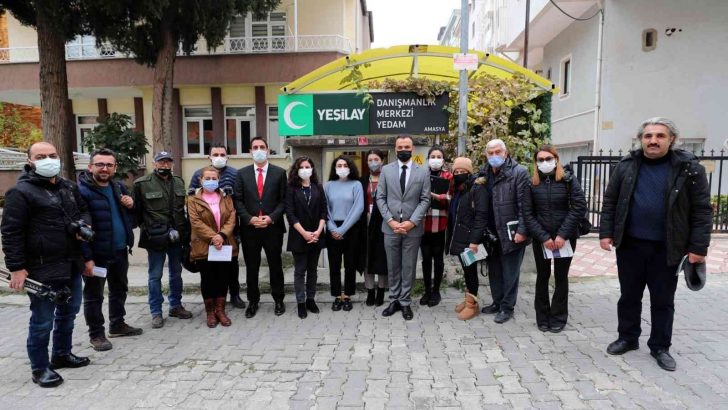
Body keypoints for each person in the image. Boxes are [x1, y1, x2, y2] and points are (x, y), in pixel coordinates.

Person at [600, 117, 711, 371]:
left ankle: (660, 347)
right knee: (629, 296)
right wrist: (606, 233)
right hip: (630, 245)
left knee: (662, 300)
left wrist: (698, 248)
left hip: (667, 247)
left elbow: (702, 211)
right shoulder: (626, 165)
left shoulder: (689, 169)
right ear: (641, 140)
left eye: (660, 136)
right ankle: (628, 338)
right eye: (648, 136)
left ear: (671, 139)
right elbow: (611, 201)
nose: (653, 141)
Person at [1, 141, 91, 388]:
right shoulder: (20, 193)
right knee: (42, 320)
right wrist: (16, 267)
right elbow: (11, 232)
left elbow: (83, 210)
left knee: (69, 313)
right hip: (41, 268)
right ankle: (40, 368)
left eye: (52, 155)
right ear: (30, 161)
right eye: (41, 156)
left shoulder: (68, 187)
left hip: (71, 262)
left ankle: (61, 354)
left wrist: (84, 226)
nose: (48, 160)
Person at [78, 148, 142, 352]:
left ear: (115, 168)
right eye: (100, 164)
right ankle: (96, 334)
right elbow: (80, 228)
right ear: (90, 167)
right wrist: (86, 258)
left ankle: (117, 324)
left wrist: (131, 205)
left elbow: (131, 218)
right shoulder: (81, 191)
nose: (104, 168)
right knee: (94, 295)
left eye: (109, 165)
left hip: (120, 250)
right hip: (97, 255)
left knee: (119, 289)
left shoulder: (118, 187)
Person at [522, 146, 587, 333]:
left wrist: (562, 235)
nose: (544, 162)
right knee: (542, 277)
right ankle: (542, 317)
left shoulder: (568, 180)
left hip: (565, 239)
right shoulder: (531, 184)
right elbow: (528, 213)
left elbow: (579, 207)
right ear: (536, 163)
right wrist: (543, 237)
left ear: (556, 159)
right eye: (540, 160)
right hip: (541, 239)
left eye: (548, 158)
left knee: (561, 277)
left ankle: (558, 317)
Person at [134, 151, 193, 329]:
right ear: (154, 164)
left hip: (177, 237)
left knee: (176, 273)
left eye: (168, 162)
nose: (165, 165)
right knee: (155, 275)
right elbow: (137, 214)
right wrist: (151, 229)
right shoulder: (142, 184)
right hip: (156, 237)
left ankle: (175, 306)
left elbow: (182, 209)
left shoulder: (178, 181)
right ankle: (156, 312)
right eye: (161, 162)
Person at [376, 135, 431, 321]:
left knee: (408, 266)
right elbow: (380, 198)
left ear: (412, 148)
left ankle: (405, 302)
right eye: (400, 147)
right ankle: (394, 300)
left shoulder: (422, 172)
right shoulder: (386, 170)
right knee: (393, 266)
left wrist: (412, 221)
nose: (403, 150)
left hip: (412, 228)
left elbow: (425, 199)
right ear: (395, 149)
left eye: (407, 146)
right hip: (390, 227)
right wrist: (390, 220)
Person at [233, 137, 288, 318]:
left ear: (268, 150)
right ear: (250, 151)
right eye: (255, 147)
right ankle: (253, 301)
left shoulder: (279, 173)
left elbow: (283, 201)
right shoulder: (241, 174)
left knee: (275, 265)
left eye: (262, 147)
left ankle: (279, 300)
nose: (258, 150)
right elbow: (238, 201)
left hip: (272, 228)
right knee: (252, 267)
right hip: (250, 229)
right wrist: (249, 219)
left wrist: (271, 218)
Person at [188, 143, 244, 309]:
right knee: (211, 271)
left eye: (222, 154)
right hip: (206, 234)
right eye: (216, 154)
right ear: (209, 157)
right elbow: (192, 194)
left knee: (231, 265)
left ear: (227, 156)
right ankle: (213, 305)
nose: (219, 157)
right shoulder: (199, 173)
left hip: (229, 229)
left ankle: (234, 294)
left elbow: (239, 199)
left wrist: (226, 233)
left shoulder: (235, 174)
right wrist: (213, 235)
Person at [480, 139, 531, 324]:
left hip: (512, 232)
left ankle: (507, 308)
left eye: (497, 152)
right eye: (490, 153)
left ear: (506, 153)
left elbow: (525, 206)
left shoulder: (519, 173)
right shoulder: (485, 172)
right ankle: (497, 301)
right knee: (494, 270)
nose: (494, 156)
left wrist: (522, 231)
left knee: (510, 272)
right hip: (492, 232)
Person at [188, 166, 238, 328]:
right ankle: (210, 313)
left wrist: (222, 235)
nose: (211, 181)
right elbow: (195, 222)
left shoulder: (226, 197)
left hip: (223, 244)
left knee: (223, 278)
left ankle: (220, 310)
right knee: (208, 279)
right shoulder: (192, 199)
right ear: (200, 180)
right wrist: (213, 237)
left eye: (214, 178)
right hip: (204, 245)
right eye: (207, 179)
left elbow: (231, 217)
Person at [285, 157, 327, 319]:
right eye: (301, 167)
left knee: (313, 271)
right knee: (300, 271)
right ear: (296, 170)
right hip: (299, 236)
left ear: (312, 169)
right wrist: (304, 233)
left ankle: (311, 299)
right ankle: (301, 302)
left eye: (307, 166)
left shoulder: (318, 187)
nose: (305, 169)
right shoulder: (291, 189)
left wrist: (318, 231)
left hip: (316, 235)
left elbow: (324, 210)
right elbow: (290, 214)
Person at [447, 157, 488, 320]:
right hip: (460, 237)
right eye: (456, 172)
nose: (459, 174)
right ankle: (468, 299)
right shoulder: (459, 189)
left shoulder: (477, 189)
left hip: (470, 240)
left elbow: (481, 216)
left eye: (463, 172)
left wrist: (474, 240)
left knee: (471, 272)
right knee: (466, 270)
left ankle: (473, 306)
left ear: (469, 172)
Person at [325, 155, 364, 312]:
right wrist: (333, 228)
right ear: (335, 168)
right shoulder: (328, 185)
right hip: (332, 227)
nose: (342, 168)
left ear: (350, 167)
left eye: (344, 165)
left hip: (351, 228)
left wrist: (342, 229)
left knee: (349, 264)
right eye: (338, 165)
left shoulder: (356, 184)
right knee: (334, 265)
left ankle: (347, 295)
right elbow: (324, 208)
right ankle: (336, 295)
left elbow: (358, 208)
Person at [420, 145, 453, 307]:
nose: (435, 159)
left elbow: (451, 198)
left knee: (438, 259)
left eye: (438, 156)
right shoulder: (421, 175)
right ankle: (426, 290)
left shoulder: (449, 176)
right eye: (432, 156)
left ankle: (436, 291)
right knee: (426, 259)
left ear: (443, 159)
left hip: (440, 224)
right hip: (423, 224)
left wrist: (433, 195)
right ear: (428, 158)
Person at [359, 149, 388, 306]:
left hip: (384, 222)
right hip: (366, 222)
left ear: (382, 161)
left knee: (382, 258)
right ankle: (370, 291)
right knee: (367, 257)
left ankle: (381, 291)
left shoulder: (388, 179)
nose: (373, 162)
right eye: (370, 160)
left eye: (376, 159)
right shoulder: (362, 180)